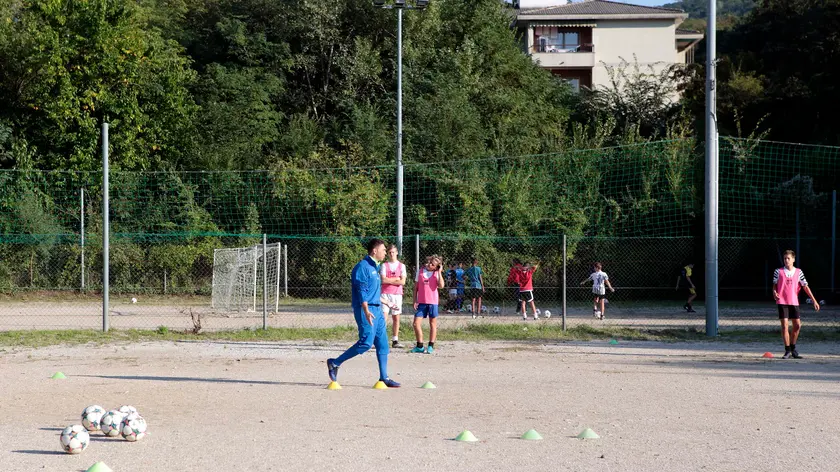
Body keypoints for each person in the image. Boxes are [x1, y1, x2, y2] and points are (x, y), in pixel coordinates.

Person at [327, 239, 400, 387]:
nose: (385, 252)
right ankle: (335, 363)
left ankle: (384, 377)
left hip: (377, 309)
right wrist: (366, 310)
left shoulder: (376, 267)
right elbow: (361, 291)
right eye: (383, 249)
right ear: (375, 251)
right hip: (365, 309)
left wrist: (385, 302)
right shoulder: (362, 267)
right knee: (366, 343)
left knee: (383, 345)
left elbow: (372, 292)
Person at [773, 249, 819, 359]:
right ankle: (787, 350)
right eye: (785, 258)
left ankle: (793, 347)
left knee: (797, 326)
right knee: (784, 326)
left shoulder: (799, 272)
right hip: (782, 301)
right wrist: (774, 292)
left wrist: (814, 300)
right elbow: (774, 285)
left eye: (788, 258)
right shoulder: (778, 271)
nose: (786, 260)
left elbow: (805, 286)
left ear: (793, 259)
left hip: (794, 302)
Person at [412, 255, 446, 354]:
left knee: (432, 324)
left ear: (436, 267)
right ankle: (420, 346)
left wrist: (439, 272)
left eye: (432, 264)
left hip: (433, 302)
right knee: (416, 323)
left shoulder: (436, 274)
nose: (429, 264)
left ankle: (431, 345)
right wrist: (415, 300)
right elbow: (416, 288)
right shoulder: (421, 271)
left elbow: (441, 286)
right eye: (430, 262)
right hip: (422, 302)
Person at [380, 244, 407, 349]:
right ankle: (381, 339)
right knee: (384, 317)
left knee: (396, 317)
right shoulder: (384, 265)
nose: (391, 254)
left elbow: (403, 281)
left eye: (393, 252)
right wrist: (396, 279)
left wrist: (390, 280)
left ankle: (395, 339)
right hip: (385, 294)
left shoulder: (401, 266)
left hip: (397, 294)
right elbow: (383, 280)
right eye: (390, 252)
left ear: (396, 253)